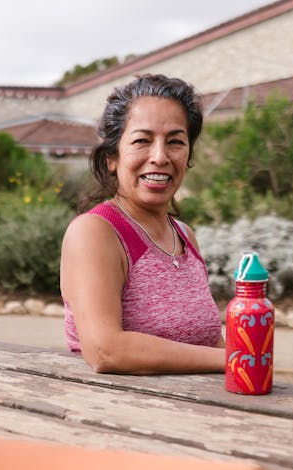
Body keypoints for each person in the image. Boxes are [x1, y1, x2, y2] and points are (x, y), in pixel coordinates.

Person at [60, 74, 225, 375]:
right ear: (112, 156)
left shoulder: (184, 235)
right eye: (142, 141)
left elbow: (211, 343)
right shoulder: (95, 232)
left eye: (175, 141)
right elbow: (105, 350)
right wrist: (235, 359)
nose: (160, 157)